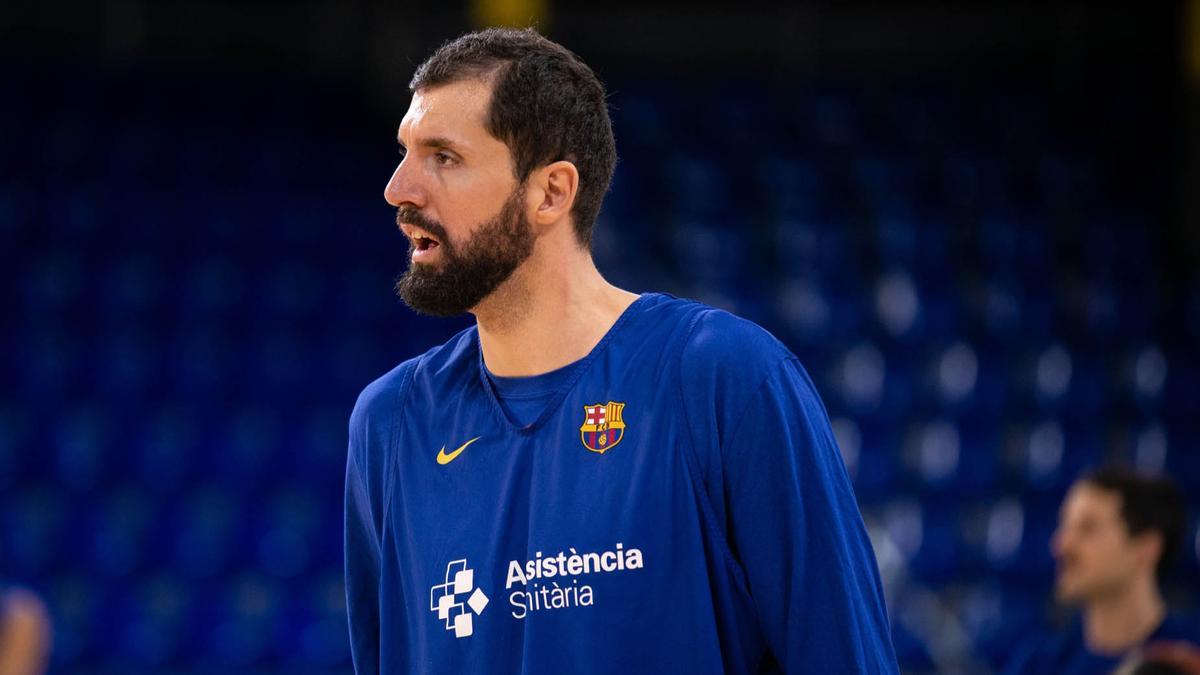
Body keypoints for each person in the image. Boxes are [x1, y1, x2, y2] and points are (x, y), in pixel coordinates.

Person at [344, 27, 897, 674]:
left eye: (443, 156)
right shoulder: (389, 424)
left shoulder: (726, 378)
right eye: (405, 151)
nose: (398, 187)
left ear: (551, 192)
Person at [1006, 467, 1197, 675]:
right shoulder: (1038, 665)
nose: (1062, 545)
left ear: (1146, 547)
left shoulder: (1190, 659)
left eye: (1088, 528)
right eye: (1065, 526)